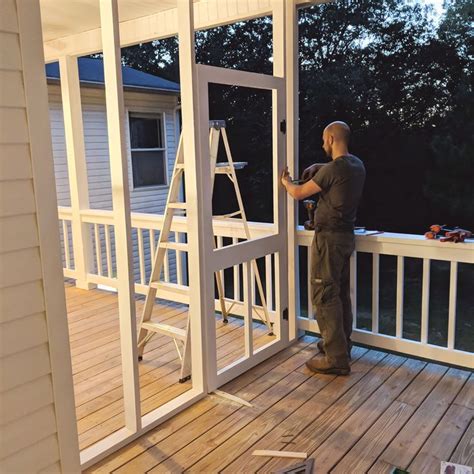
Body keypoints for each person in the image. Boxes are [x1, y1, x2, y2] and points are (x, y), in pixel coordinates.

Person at [281, 121, 366, 375]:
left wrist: (285, 182)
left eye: (323, 140)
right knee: (339, 294)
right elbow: (335, 173)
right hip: (345, 237)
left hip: (328, 240)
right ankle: (340, 345)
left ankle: (336, 360)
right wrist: (319, 168)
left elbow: (298, 193)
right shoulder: (357, 166)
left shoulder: (333, 170)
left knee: (324, 295)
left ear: (330, 138)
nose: (322, 144)